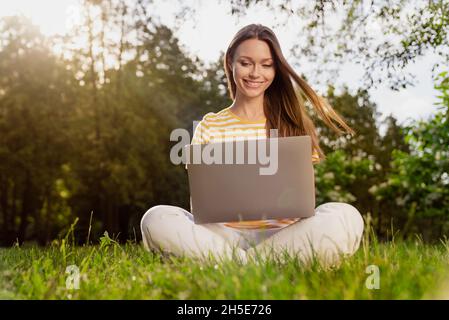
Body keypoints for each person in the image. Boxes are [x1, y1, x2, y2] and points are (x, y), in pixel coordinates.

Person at [140, 24, 364, 268]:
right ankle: (261, 265)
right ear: (230, 63)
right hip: (223, 238)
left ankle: (239, 266)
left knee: (346, 216)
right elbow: (199, 206)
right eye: (246, 63)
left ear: (276, 70)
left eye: (266, 65)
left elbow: (304, 201)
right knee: (155, 218)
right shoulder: (210, 125)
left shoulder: (293, 124)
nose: (256, 73)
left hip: (284, 237)